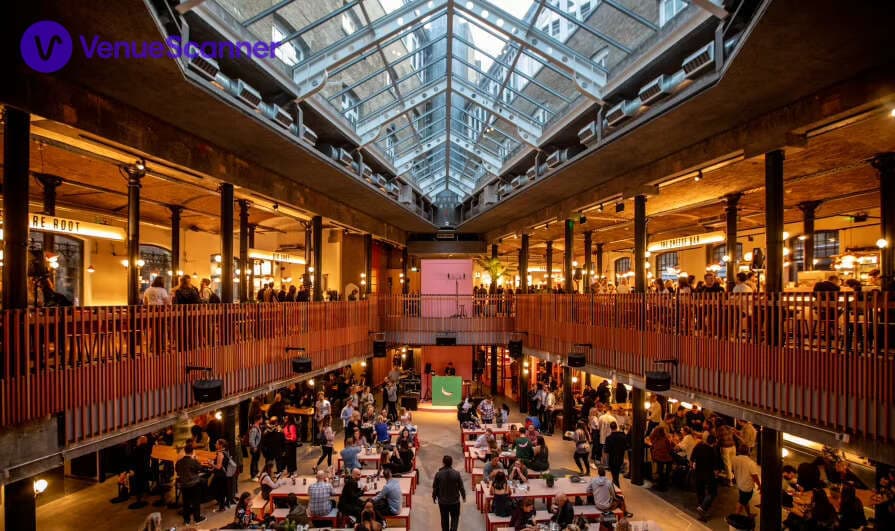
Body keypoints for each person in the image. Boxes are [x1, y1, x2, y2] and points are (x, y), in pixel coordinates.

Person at [433, 455, 466, 531]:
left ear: (443, 463)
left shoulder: (438, 474)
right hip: (455, 501)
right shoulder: (456, 474)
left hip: (443, 501)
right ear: (452, 463)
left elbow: (435, 487)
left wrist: (434, 497)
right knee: (455, 518)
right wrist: (463, 496)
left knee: (444, 519)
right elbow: (461, 487)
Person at [175, 443, 206, 525]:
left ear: (185, 451)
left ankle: (186, 520)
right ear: (192, 452)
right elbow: (200, 468)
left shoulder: (179, 462)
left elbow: (177, 471)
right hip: (194, 484)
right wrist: (196, 460)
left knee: (186, 503)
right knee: (196, 502)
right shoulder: (193, 461)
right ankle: (197, 519)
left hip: (184, 485)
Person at [690, 432, 718, 520]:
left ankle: (701, 508)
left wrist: (692, 468)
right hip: (708, 474)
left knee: (700, 491)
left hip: (698, 473)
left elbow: (691, 459)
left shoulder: (698, 447)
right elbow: (715, 466)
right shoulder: (712, 451)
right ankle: (703, 508)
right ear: (714, 442)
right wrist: (716, 474)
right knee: (712, 492)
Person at [731, 445, 761, 516]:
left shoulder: (734, 459)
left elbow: (733, 470)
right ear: (748, 452)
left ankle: (749, 514)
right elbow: (755, 476)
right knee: (741, 502)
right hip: (747, 487)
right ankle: (734, 518)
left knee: (744, 500)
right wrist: (759, 485)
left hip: (739, 484)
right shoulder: (751, 463)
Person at [647, 425, 674, 491]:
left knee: (661, 469)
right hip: (664, 458)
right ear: (663, 432)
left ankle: (661, 481)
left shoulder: (654, 439)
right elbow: (670, 449)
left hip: (656, 457)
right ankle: (666, 481)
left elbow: (652, 446)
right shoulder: (665, 439)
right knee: (672, 459)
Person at [211, 439, 234, 512]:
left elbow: (218, 466)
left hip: (220, 475)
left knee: (219, 490)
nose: (215, 444)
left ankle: (222, 507)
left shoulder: (220, 454)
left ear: (220, 445)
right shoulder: (226, 452)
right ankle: (224, 504)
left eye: (217, 443)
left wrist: (211, 463)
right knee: (223, 490)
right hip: (225, 475)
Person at [603, 421, 627, 488]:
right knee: (616, 474)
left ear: (610, 428)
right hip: (620, 458)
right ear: (617, 427)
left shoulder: (608, 438)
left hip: (612, 459)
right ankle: (615, 486)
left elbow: (606, 451)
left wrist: (605, 461)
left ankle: (617, 488)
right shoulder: (623, 436)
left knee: (614, 475)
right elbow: (626, 447)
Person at [247, 415, 263, 480]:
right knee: (254, 461)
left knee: (256, 460)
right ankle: (253, 475)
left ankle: (256, 473)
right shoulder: (254, 429)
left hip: (257, 446)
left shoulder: (257, 427)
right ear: (258, 420)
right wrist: (254, 447)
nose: (262, 420)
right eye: (261, 418)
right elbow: (251, 440)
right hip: (255, 447)